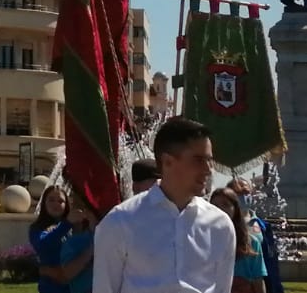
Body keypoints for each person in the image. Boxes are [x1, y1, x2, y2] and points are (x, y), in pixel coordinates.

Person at [92, 117, 235, 293]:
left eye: (209, 160)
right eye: (198, 160)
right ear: (167, 162)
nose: (208, 169)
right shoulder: (120, 221)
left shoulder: (220, 225)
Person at [228, 178, 284, 293]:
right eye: (238, 193)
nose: (243, 196)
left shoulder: (263, 226)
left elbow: (271, 262)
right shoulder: (223, 224)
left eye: (246, 192)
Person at [210, 189, 265, 293]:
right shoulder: (201, 239)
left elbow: (258, 281)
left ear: (235, 209)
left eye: (225, 205)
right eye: (215, 206)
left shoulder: (251, 242)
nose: (219, 209)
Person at [32, 185, 73, 293]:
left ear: (67, 205)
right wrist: (66, 224)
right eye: (51, 200)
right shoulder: (37, 228)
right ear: (44, 202)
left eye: (61, 201)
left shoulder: (74, 227)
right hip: (51, 288)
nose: (56, 204)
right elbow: (43, 245)